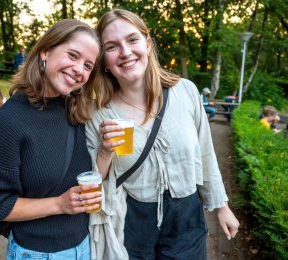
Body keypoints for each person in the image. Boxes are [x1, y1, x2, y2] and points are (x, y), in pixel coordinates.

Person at [85, 9, 239, 260]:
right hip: (132, 222)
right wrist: (104, 151)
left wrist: (222, 207)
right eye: (112, 46)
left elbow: (205, 151)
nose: (125, 52)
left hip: (187, 218)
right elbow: (93, 181)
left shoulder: (185, 91)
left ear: (147, 43)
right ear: (104, 59)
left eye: (132, 40)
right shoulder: (98, 115)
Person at [0, 19, 101, 259]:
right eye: (72, 55)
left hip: (85, 246)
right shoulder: (9, 120)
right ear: (45, 51)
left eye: (88, 65)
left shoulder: (75, 112)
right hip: (38, 252)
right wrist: (59, 204)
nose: (79, 69)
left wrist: (108, 149)